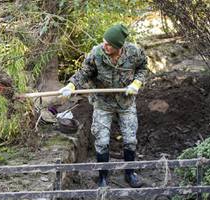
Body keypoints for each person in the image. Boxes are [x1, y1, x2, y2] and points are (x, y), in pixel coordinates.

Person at [59, 23, 148, 188]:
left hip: (125, 102)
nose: (105, 46)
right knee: (102, 141)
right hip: (102, 102)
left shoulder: (134, 52)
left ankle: (130, 173)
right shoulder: (97, 53)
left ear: (119, 46)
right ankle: (103, 177)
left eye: (109, 44)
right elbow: (84, 72)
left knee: (130, 140)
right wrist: (71, 86)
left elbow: (143, 67)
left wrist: (137, 82)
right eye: (104, 42)